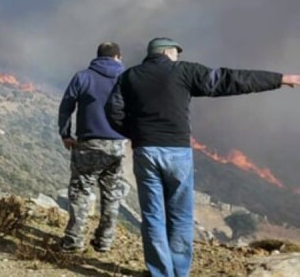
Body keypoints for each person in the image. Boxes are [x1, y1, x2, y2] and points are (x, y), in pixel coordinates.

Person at [105, 37, 300, 277]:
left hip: (145, 151)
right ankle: (179, 272)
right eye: (176, 53)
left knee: (153, 215)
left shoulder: (130, 76)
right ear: (167, 52)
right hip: (177, 152)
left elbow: (112, 110)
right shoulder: (183, 71)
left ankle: (160, 274)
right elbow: (228, 80)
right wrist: (280, 79)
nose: (178, 56)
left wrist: (136, 133)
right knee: (180, 215)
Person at [58, 42, 127, 253]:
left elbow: (66, 107)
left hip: (88, 144)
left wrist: (65, 134)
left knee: (80, 193)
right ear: (118, 57)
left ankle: (73, 242)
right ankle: (104, 241)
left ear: (98, 56)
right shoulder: (127, 79)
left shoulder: (83, 77)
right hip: (116, 146)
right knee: (111, 194)